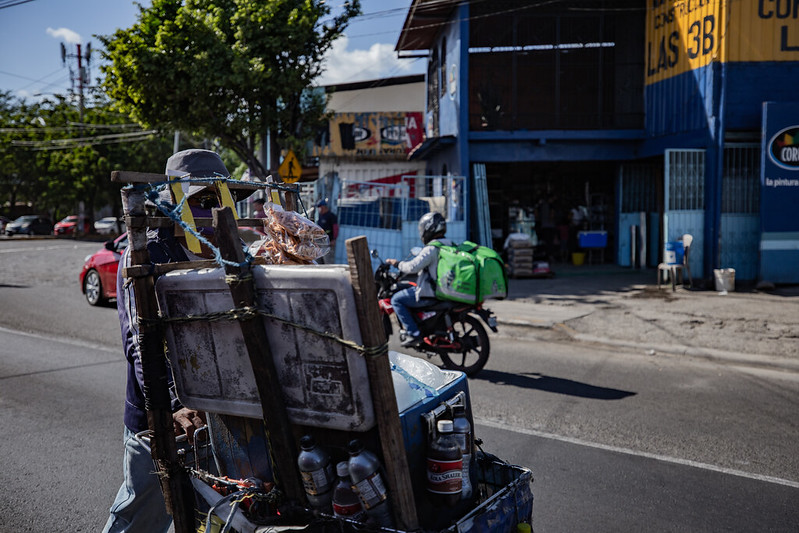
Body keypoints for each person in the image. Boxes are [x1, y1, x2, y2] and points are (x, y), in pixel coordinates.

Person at [103, 149, 230, 533]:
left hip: (217, 414)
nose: (211, 210)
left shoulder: (224, 248)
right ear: (177, 199)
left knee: (211, 513)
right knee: (141, 516)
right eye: (200, 200)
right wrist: (174, 406)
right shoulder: (147, 252)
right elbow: (140, 343)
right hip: (160, 417)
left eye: (218, 199)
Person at [385, 211, 452, 347]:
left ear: (429, 229)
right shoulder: (450, 244)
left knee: (397, 300)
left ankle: (413, 333)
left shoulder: (432, 248)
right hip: (445, 290)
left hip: (431, 293)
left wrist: (397, 264)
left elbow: (413, 267)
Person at [316, 198, 338, 264]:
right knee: (319, 261)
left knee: (328, 262)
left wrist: (334, 239)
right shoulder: (320, 216)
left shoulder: (331, 216)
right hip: (320, 243)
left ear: (323, 207)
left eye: (320, 207)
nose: (319, 209)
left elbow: (335, 228)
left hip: (328, 243)